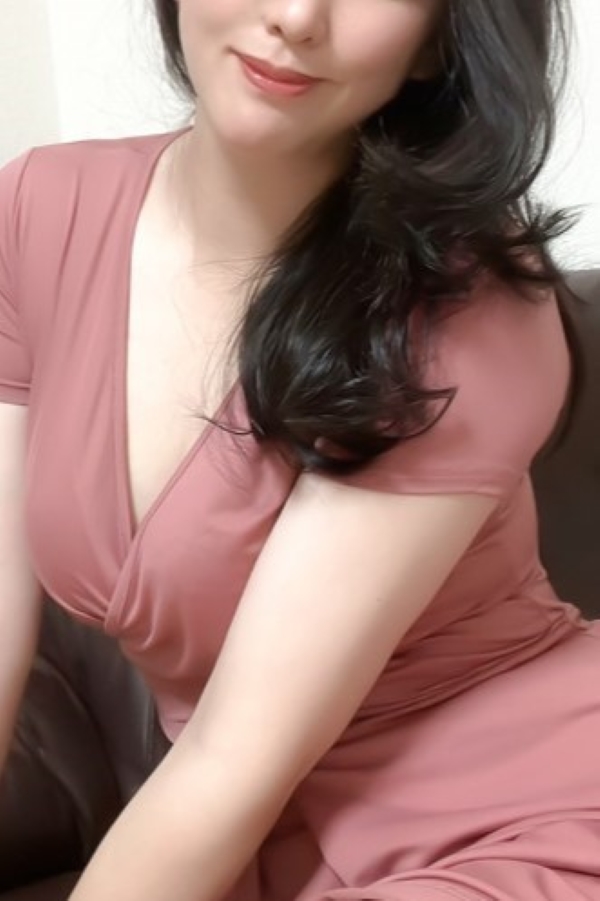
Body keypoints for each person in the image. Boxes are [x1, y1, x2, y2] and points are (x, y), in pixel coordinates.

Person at [1, 0, 599, 899]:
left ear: (435, 41)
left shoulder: (466, 299)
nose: (296, 16)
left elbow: (234, 757)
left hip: (530, 818)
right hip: (252, 840)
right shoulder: (38, 209)